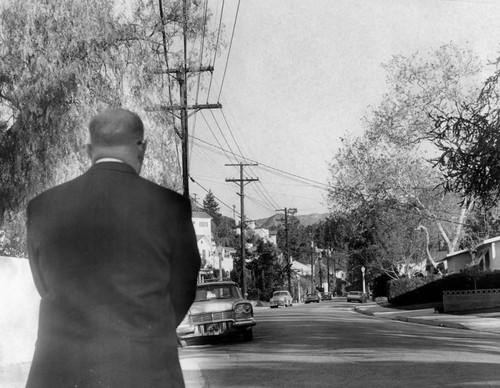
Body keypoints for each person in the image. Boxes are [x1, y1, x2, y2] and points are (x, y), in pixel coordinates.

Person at [26, 108, 201, 387]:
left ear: (88, 149)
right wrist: (150, 328)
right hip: (145, 369)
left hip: (59, 370)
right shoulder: (171, 206)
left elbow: (43, 282)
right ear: (142, 147)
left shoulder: (42, 207)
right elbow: (184, 288)